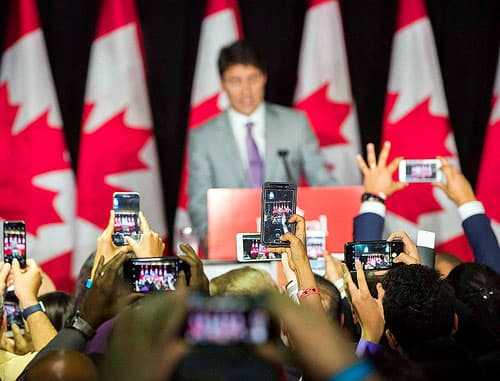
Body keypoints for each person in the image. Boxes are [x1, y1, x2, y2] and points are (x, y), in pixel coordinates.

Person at [188, 40, 337, 244]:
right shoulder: (203, 137)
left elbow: (323, 184)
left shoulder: (295, 124)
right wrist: (215, 242)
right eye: (235, 81)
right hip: (231, 249)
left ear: (264, 78)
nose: (246, 90)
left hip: (287, 245)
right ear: (222, 83)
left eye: (253, 79)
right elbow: (199, 203)